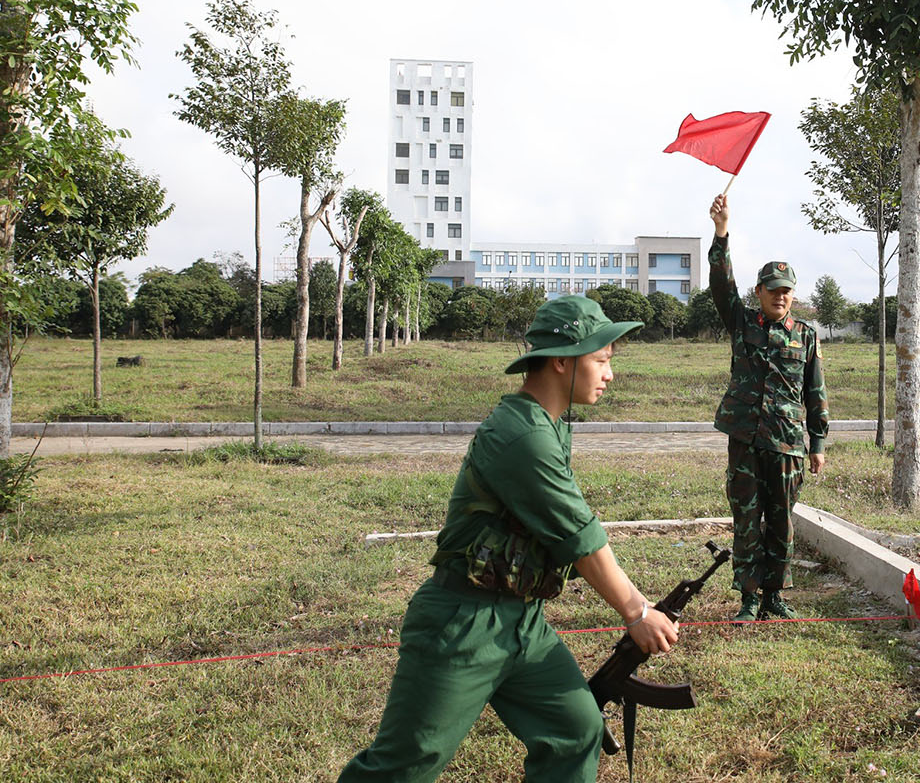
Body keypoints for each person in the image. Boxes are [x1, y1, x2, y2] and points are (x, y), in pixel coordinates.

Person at [338, 295, 678, 783]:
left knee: (576, 729)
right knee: (404, 766)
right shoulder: (523, 435)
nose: (609, 374)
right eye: (601, 360)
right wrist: (637, 612)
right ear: (563, 361)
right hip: (463, 623)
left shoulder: (551, 424)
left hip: (522, 623)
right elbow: (579, 536)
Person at [707, 192, 829, 622]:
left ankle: (775, 595)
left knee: (781, 522)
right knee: (746, 517)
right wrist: (722, 233)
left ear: (793, 295)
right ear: (758, 291)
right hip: (745, 437)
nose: (780, 297)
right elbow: (721, 286)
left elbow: (815, 390)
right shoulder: (741, 322)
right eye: (772, 290)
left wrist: (818, 442)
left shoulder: (807, 336)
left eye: (787, 291)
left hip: (787, 444)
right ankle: (749, 597)